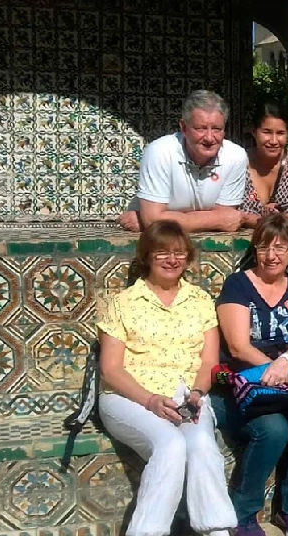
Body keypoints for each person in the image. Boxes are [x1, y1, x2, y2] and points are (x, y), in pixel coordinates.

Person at [96, 220, 237, 536]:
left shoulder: (200, 301)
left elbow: (209, 361)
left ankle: (216, 530)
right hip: (128, 397)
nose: (173, 260)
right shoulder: (123, 304)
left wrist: (198, 393)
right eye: (163, 253)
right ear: (147, 256)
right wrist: (149, 399)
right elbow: (111, 370)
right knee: (171, 445)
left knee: (201, 442)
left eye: (179, 253)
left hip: (186, 395)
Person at [212, 214, 288, 536]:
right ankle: (243, 512)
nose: (272, 255)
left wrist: (287, 363)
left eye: (280, 247)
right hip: (244, 384)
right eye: (264, 247)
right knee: (273, 430)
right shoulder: (238, 285)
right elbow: (237, 346)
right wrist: (281, 374)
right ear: (255, 249)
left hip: (286, 383)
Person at [118, 90, 247, 232]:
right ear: (184, 128)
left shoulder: (236, 156)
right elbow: (152, 220)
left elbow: (225, 218)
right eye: (201, 129)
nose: (210, 138)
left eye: (217, 129)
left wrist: (160, 219)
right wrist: (152, 220)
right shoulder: (160, 151)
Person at [239, 103, 288, 228]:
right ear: (254, 132)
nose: (273, 141)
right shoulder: (238, 163)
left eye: (280, 133)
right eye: (267, 132)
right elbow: (229, 213)